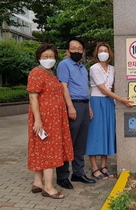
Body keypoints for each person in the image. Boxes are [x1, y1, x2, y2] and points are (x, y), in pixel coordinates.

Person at [27, 43, 74, 199]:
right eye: (45, 56)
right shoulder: (36, 73)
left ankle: (38, 183)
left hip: (54, 118)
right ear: (39, 57)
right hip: (45, 119)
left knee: (42, 149)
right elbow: (33, 97)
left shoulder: (51, 73)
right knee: (49, 150)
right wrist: (38, 120)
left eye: (52, 56)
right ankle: (48, 187)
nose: (49, 59)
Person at [86, 42, 133, 180]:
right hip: (96, 101)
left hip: (108, 103)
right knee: (95, 134)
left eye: (105, 50)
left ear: (109, 53)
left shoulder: (113, 69)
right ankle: (94, 167)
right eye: (100, 50)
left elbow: (113, 87)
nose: (103, 53)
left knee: (107, 133)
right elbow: (103, 89)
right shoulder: (94, 68)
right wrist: (121, 99)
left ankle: (104, 166)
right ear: (96, 53)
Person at [56, 37, 96, 189]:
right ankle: (62, 176)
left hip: (84, 106)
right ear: (67, 51)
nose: (77, 51)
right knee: (68, 142)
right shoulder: (64, 65)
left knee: (80, 143)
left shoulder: (82, 67)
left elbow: (86, 89)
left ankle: (78, 173)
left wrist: (89, 107)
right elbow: (63, 87)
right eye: (73, 48)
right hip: (73, 105)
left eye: (80, 48)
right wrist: (70, 107)